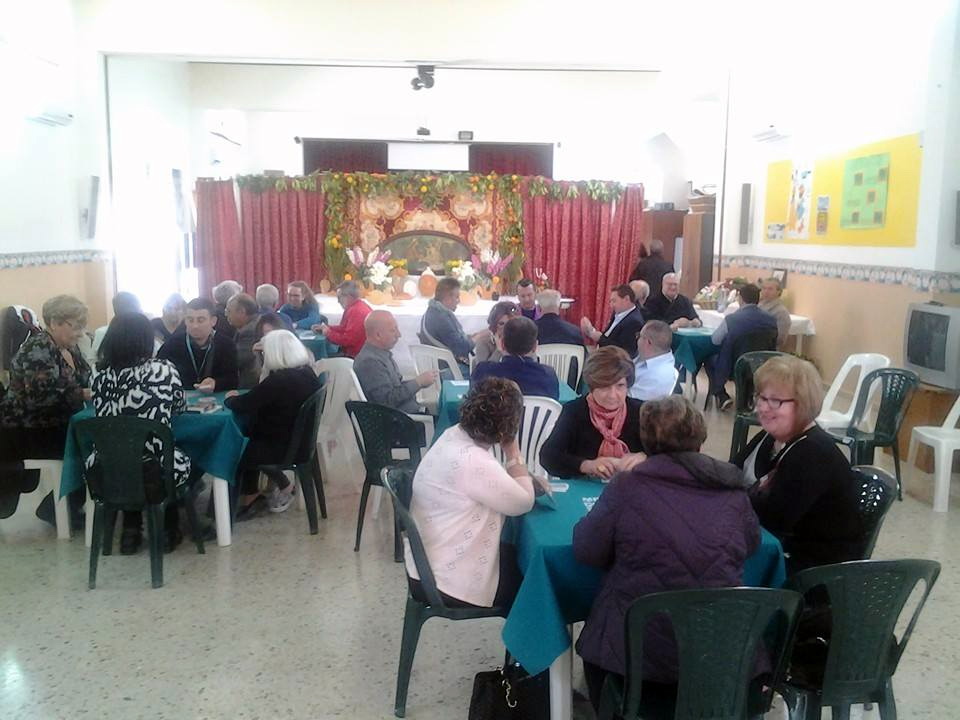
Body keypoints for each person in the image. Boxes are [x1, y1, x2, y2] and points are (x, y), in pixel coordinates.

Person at [573, 396, 759, 711]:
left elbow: (587, 550)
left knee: (606, 609)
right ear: (700, 436)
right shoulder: (732, 490)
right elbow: (752, 546)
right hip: (718, 650)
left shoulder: (626, 487)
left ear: (645, 439)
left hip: (637, 655)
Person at [405, 377, 536, 608]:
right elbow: (524, 502)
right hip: (445, 580)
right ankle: (529, 642)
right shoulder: (473, 461)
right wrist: (513, 451)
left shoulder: (452, 434)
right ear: (509, 428)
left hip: (425, 561)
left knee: (520, 558)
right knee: (536, 585)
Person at [735, 355, 865, 574]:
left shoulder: (813, 453)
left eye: (776, 401)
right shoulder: (773, 437)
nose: (764, 408)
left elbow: (775, 519)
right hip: (778, 546)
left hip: (812, 569)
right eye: (761, 397)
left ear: (804, 404)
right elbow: (731, 472)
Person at [89, 313, 200, 554]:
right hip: (156, 470)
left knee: (127, 455)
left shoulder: (98, 376)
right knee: (168, 456)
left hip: (106, 468)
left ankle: (130, 530)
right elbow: (179, 408)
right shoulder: (163, 370)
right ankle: (169, 528)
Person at [0, 295, 92, 527]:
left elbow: (84, 378)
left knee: (94, 441)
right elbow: (41, 398)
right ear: (55, 322)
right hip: (27, 430)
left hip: (54, 424)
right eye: (76, 326)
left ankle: (59, 506)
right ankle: (56, 509)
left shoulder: (67, 349)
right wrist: (82, 394)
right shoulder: (37, 349)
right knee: (91, 448)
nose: (81, 332)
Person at [225, 330, 322, 518]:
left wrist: (230, 398)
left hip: (282, 448)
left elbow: (242, 404)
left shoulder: (279, 381)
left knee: (230, 448)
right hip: (300, 443)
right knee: (248, 437)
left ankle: (225, 511)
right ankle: (256, 492)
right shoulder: (307, 372)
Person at [540, 346, 645, 479]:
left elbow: (671, 455)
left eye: (620, 386)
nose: (613, 395)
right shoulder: (574, 411)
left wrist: (645, 457)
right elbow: (548, 457)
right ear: (592, 385)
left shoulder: (641, 412)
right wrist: (586, 465)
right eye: (605, 387)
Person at [706, 283, 778, 410]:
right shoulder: (771, 320)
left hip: (736, 366)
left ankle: (721, 394)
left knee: (710, 359)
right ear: (758, 299)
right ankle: (749, 396)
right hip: (762, 364)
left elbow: (715, 340)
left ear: (740, 299)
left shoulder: (732, 319)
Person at [353, 310, 438, 414]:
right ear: (378, 335)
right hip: (401, 421)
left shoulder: (381, 354)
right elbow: (386, 402)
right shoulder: (370, 362)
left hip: (408, 414)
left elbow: (396, 388)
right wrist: (418, 382)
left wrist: (420, 383)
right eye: (393, 330)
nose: (399, 335)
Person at [157, 298, 238, 393]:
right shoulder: (172, 344)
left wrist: (216, 383)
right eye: (190, 320)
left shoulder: (226, 344)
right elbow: (158, 375)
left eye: (200, 320)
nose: (195, 325)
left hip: (215, 398)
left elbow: (233, 379)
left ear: (213, 321)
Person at [472, 316, 560, 399]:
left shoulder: (483, 371)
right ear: (535, 347)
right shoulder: (548, 376)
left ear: (502, 344)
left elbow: (472, 403)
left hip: (495, 415)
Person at [420, 277, 491, 374]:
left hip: (438, 365)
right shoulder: (441, 318)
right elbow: (461, 348)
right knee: (484, 373)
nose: (459, 301)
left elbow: (454, 339)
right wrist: (481, 335)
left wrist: (475, 335)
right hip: (446, 369)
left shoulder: (433, 311)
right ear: (447, 298)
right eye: (457, 297)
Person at [579, 284, 646, 358]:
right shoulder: (618, 312)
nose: (611, 305)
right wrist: (591, 331)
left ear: (626, 299)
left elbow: (624, 350)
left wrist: (600, 338)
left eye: (614, 301)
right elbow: (609, 335)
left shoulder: (634, 322)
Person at [311, 280, 371, 358]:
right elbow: (344, 328)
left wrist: (328, 333)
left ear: (348, 296)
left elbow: (348, 340)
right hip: (355, 353)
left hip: (354, 357)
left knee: (317, 358)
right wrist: (327, 327)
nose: (338, 301)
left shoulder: (356, 311)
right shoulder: (356, 306)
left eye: (339, 297)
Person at [629, 320, 677, 401]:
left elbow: (625, 399)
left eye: (639, 336)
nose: (637, 340)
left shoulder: (658, 377)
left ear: (648, 342)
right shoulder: (646, 356)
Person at [225, 293, 262, 389]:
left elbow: (236, 360)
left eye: (229, 311)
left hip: (252, 384)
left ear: (241, 312)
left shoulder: (250, 331)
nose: (226, 315)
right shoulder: (256, 322)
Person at [759, 277, 792, 351]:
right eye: (764, 288)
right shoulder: (759, 305)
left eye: (770, 289)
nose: (766, 291)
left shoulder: (781, 312)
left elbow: (780, 339)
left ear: (779, 292)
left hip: (768, 350)